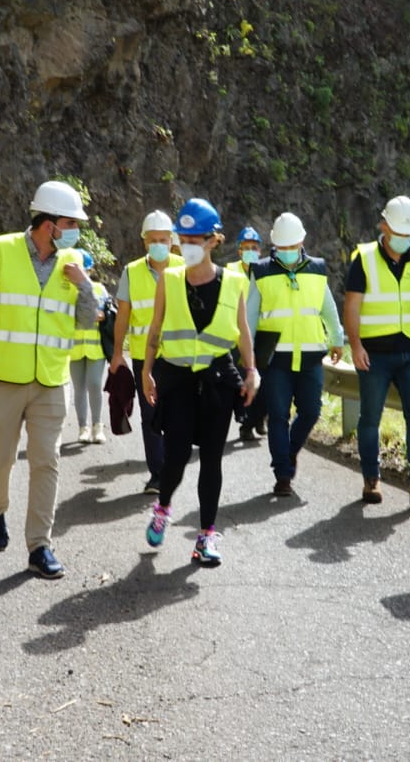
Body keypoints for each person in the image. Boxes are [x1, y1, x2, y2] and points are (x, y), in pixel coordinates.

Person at [0, 181, 97, 580]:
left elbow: (86, 319)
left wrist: (83, 286)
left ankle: (39, 545)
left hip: (50, 379)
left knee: (47, 462)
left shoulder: (74, 260)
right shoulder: (1, 251)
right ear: (48, 224)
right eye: (70, 222)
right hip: (3, 380)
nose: (76, 229)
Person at [140, 199, 258, 567]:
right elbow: (156, 328)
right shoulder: (169, 280)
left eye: (195, 239)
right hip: (176, 378)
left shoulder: (235, 282)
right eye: (183, 238)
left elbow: (242, 332)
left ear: (213, 241)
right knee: (174, 458)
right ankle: (163, 506)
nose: (186, 245)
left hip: (218, 379)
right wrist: (146, 371)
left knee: (211, 459)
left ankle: (206, 536)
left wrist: (252, 370)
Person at [343, 196, 410, 506]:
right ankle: (371, 479)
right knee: (370, 418)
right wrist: (355, 345)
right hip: (374, 354)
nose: (404, 239)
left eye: (409, 234)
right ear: (384, 226)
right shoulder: (365, 258)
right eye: (399, 232)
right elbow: (352, 305)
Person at [248, 212, 345, 496]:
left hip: (311, 353)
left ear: (302, 241)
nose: (288, 251)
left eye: (293, 246)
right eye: (283, 247)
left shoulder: (317, 269)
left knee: (311, 411)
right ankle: (283, 475)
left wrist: (337, 338)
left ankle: (288, 452)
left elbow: (327, 307)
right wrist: (248, 357)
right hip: (275, 358)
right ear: (275, 245)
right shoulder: (262, 271)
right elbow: (251, 315)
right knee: (278, 415)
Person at [108, 210, 182, 493]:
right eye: (153, 240)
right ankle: (157, 474)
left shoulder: (184, 267)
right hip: (143, 358)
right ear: (144, 242)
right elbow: (123, 316)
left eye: (164, 239)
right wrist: (117, 353)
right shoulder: (132, 271)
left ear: (172, 240)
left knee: (176, 413)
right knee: (150, 415)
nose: (159, 244)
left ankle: (171, 464)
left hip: (178, 355)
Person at [227, 225, 268, 442]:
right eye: (246, 247)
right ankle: (245, 424)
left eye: (254, 247)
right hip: (237, 335)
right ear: (239, 250)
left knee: (264, 380)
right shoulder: (230, 271)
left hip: (262, 333)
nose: (250, 250)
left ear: (260, 250)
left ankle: (259, 418)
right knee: (244, 379)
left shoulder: (265, 269)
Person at [70, 250, 109, 445]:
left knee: (94, 384)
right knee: (79, 388)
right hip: (74, 347)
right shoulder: (66, 290)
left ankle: (98, 426)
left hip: (95, 348)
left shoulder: (99, 288)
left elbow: (103, 314)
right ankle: (83, 427)